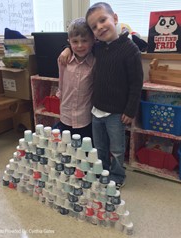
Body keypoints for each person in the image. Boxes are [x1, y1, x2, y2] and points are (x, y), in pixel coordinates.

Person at [59, 2, 143, 189]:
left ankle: (117, 175)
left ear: (115, 18)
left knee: (117, 148)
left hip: (116, 113)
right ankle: (102, 170)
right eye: (94, 27)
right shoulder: (96, 47)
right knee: (100, 147)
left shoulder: (131, 50)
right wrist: (66, 48)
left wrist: (130, 111)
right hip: (95, 111)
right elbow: (76, 42)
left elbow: (136, 84)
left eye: (103, 20)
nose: (100, 27)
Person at [56, 17, 95, 139]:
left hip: (85, 118)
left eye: (84, 41)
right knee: (66, 149)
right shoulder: (63, 59)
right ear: (69, 41)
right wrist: (67, 48)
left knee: (85, 151)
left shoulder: (95, 62)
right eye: (75, 42)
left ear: (93, 40)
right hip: (65, 115)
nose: (80, 45)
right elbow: (61, 84)